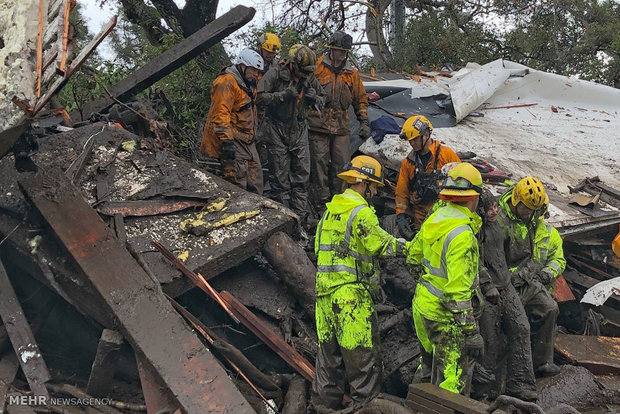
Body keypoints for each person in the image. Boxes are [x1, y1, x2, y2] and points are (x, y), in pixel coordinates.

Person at [311, 155, 408, 410]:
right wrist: (417, 248)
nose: (375, 192)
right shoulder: (361, 212)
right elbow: (382, 244)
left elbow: (317, 250)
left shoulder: (329, 213)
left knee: (327, 365)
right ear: (363, 184)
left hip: (323, 298)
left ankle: (321, 409)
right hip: (351, 299)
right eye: (374, 186)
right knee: (363, 365)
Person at [406, 162, 484, 395]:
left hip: (422, 308)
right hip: (445, 319)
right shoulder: (462, 234)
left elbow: (412, 258)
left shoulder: (436, 218)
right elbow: (457, 295)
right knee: (451, 386)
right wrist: (471, 332)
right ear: (473, 198)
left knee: (428, 368)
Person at [497, 177, 566, 377]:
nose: (529, 213)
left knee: (550, 308)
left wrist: (545, 275)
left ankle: (541, 362)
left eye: (533, 210)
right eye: (526, 208)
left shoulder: (538, 223)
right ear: (516, 201)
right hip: (507, 282)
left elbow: (555, 258)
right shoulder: (501, 221)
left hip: (529, 280)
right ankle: (505, 369)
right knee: (514, 323)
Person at [476, 189, 538, 401]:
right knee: (490, 340)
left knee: (522, 327)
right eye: (489, 208)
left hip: (505, 284)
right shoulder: (476, 229)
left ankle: (520, 383)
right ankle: (481, 390)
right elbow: (475, 261)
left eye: (496, 207)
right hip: (488, 289)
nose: (494, 211)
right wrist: (486, 285)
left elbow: (504, 255)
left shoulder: (497, 225)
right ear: (480, 210)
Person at [256, 44, 325, 221]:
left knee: (302, 177)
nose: (304, 75)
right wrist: (283, 95)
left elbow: (324, 99)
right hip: (276, 128)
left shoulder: (309, 77)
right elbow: (259, 97)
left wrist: (313, 98)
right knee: (280, 179)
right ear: (293, 64)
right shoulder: (276, 73)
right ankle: (284, 220)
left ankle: (300, 220)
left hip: (299, 129)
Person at [307, 31, 369, 205]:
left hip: (341, 128)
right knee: (319, 166)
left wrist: (363, 121)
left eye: (344, 52)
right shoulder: (316, 68)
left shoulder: (351, 74)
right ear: (331, 50)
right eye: (339, 51)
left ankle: (340, 202)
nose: (342, 55)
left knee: (342, 166)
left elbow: (360, 99)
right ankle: (321, 204)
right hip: (317, 127)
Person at [200, 48, 264, 193]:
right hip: (233, 138)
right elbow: (220, 115)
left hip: (247, 139)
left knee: (256, 179)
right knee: (237, 181)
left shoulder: (249, 82)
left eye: (257, 71)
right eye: (253, 70)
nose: (256, 74)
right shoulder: (226, 82)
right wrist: (227, 143)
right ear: (243, 66)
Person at [395, 115, 461, 239]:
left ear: (426, 134)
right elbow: (401, 191)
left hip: (445, 215)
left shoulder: (446, 155)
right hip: (421, 218)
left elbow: (463, 180)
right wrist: (401, 216)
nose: (412, 143)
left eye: (415, 139)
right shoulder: (408, 162)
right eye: (410, 140)